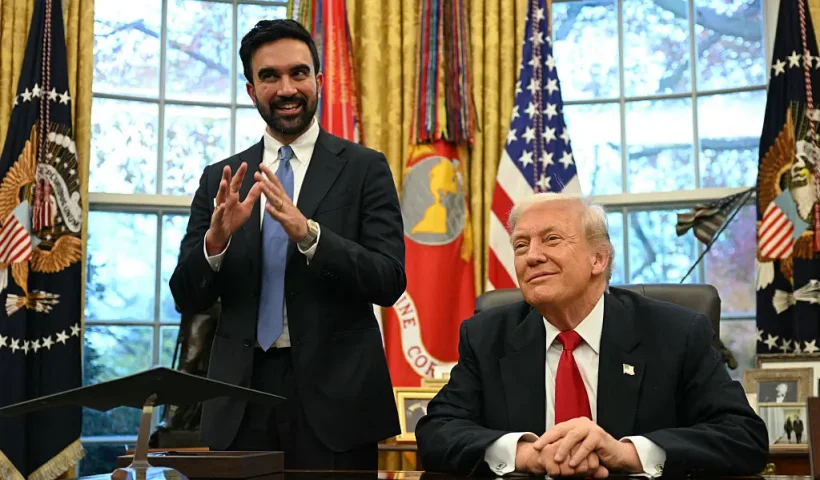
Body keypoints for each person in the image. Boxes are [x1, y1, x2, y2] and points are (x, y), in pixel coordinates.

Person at [169, 19, 406, 470]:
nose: (286, 89)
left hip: (338, 404)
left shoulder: (365, 168)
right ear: (251, 90)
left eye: (298, 73)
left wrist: (310, 235)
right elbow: (186, 296)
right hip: (239, 400)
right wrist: (216, 242)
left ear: (319, 80)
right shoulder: (221, 179)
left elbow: (388, 281)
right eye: (269, 76)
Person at [415, 193, 768, 477]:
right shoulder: (486, 337)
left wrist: (625, 453)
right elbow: (437, 432)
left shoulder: (676, 333)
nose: (532, 256)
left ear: (598, 259)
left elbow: (743, 437)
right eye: (520, 245)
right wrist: (527, 455)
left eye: (551, 239)